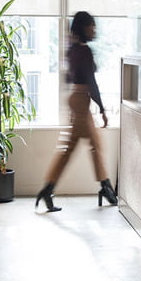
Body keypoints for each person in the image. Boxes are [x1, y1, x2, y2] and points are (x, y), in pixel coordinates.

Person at [35, 11, 118, 213]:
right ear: (83, 27)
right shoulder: (84, 51)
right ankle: (105, 187)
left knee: (74, 147)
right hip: (81, 100)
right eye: (91, 26)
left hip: (76, 98)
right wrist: (102, 109)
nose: (94, 29)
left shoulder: (72, 49)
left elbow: (70, 78)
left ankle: (49, 190)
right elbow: (91, 82)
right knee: (93, 145)